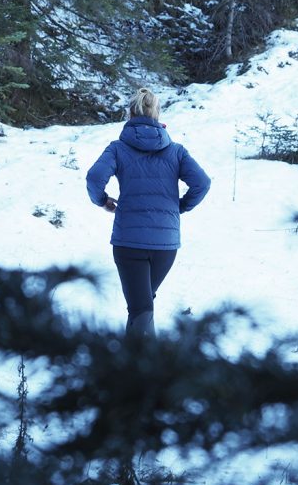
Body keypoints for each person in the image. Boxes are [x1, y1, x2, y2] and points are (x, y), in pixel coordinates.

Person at [86, 88, 210, 337]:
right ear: (157, 113)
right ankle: (139, 359)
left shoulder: (118, 148)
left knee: (140, 308)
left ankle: (141, 360)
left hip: (129, 242)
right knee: (142, 306)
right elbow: (202, 183)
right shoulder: (176, 151)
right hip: (165, 245)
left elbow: (94, 177)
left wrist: (102, 201)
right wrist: (179, 207)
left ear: (130, 113)